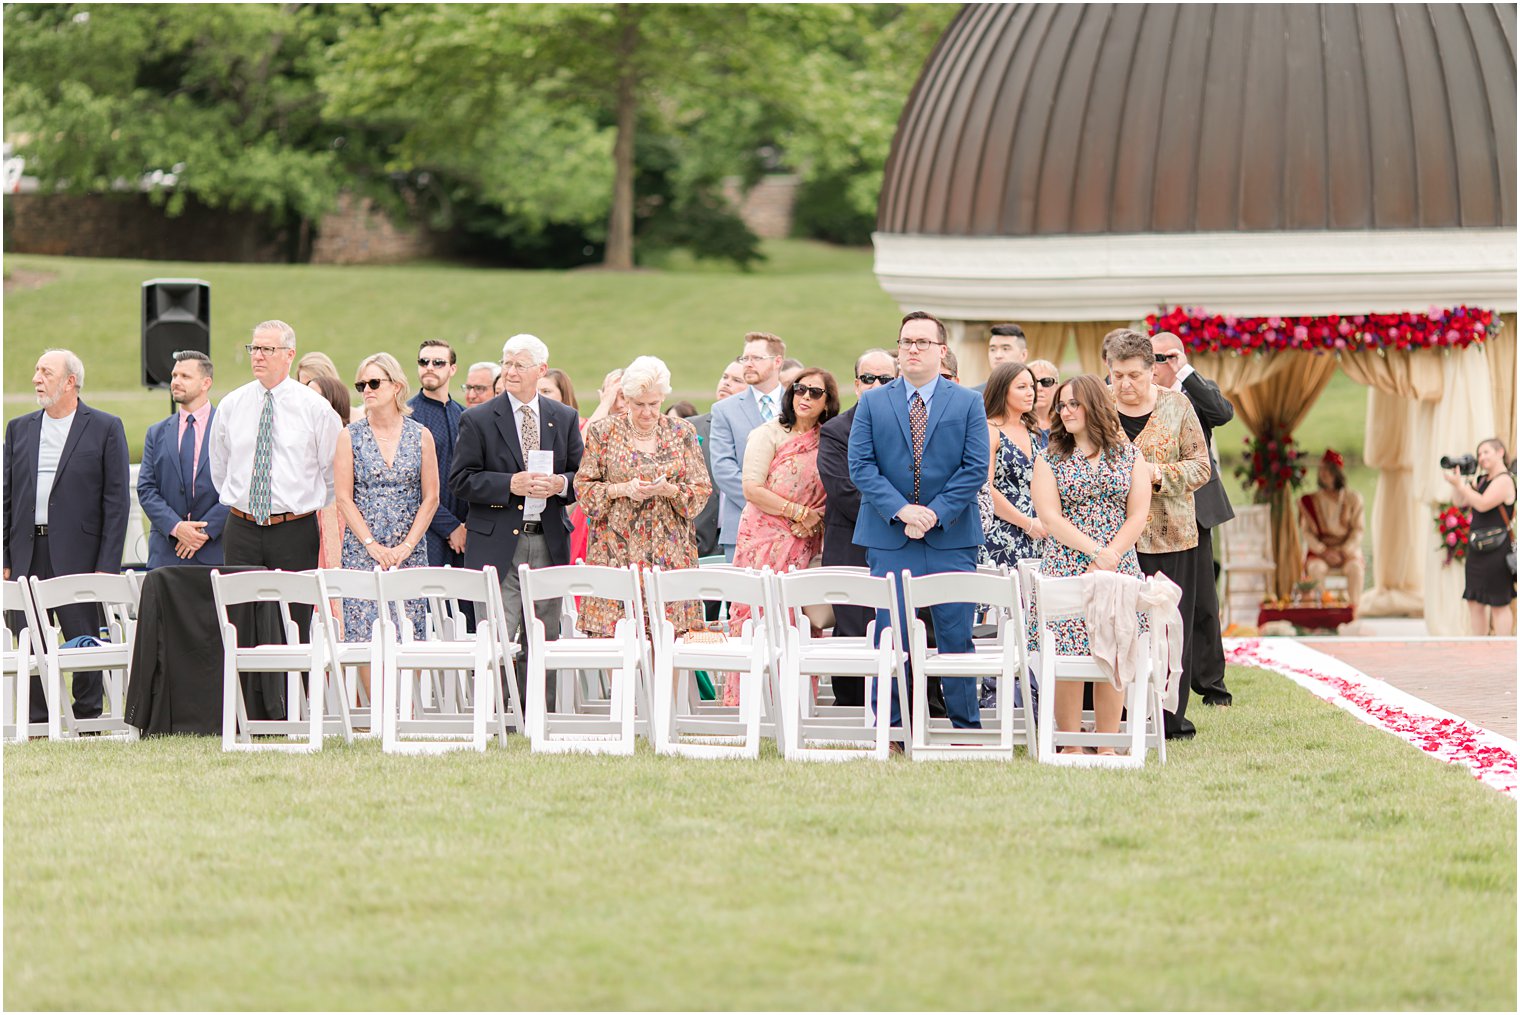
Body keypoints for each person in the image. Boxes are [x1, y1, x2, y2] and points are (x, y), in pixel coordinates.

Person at [849, 311, 990, 735]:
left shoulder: (967, 402)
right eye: (906, 341)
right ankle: (892, 730)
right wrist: (901, 510)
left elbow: (975, 467)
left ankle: (966, 729)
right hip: (890, 536)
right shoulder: (873, 402)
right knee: (893, 638)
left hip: (950, 536)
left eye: (922, 342)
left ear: (941, 351)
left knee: (955, 636)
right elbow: (860, 465)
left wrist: (934, 513)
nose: (911, 349)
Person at [449, 333, 583, 713]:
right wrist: (509, 484)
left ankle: (539, 715)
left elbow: (582, 478)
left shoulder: (564, 418)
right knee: (496, 633)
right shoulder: (476, 418)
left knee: (544, 634)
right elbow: (460, 481)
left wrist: (561, 484)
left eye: (518, 365)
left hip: (548, 538)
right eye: (506, 363)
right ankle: (490, 717)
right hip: (496, 542)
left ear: (541, 370)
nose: (509, 371)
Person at [3, 349, 130, 724]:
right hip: (28, 551)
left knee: (84, 638)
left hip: (81, 553)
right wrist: (5, 557)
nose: (36, 379)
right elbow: (7, 497)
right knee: (30, 637)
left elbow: (117, 502)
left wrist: (107, 566)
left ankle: (88, 717)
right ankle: (39, 719)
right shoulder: (19, 428)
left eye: (45, 372)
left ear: (69, 382)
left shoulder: (105, 427)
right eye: (36, 370)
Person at [1029, 375, 1152, 754]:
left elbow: (1139, 513)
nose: (1065, 411)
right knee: (1067, 648)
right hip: (1068, 562)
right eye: (1061, 406)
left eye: (1073, 404)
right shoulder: (1049, 458)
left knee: (1113, 649)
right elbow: (1049, 516)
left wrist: (1112, 555)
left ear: (1095, 405)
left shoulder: (1130, 455)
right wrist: (1095, 553)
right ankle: (1069, 744)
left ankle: (1108, 744)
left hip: (1119, 562)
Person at [1104, 328, 1209, 739]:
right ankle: (1122, 714)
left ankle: (1167, 717)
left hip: (1171, 535)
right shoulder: (1099, 409)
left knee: (1169, 628)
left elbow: (1202, 466)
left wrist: (1157, 473)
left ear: (1153, 371)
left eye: (1134, 375)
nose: (1125, 384)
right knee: (1118, 625)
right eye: (1117, 376)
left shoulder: (1178, 406)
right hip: (1113, 540)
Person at [722, 369, 840, 706]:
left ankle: (794, 704)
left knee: (798, 620)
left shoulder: (827, 439)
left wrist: (813, 520)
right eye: (799, 389)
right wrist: (799, 513)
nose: (805, 397)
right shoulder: (769, 433)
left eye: (815, 393)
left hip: (805, 542)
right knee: (758, 618)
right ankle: (748, 706)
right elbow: (752, 489)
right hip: (764, 539)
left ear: (827, 402)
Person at [575, 356, 710, 637]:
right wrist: (622, 489)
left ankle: (664, 684)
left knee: (669, 640)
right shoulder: (604, 432)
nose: (647, 412)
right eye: (639, 404)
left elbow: (700, 491)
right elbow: (584, 490)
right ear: (626, 398)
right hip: (615, 551)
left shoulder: (682, 432)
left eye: (654, 404)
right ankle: (620, 685)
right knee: (616, 638)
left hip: (670, 554)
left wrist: (668, 490)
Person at [209, 321, 344, 587]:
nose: (258, 355)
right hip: (241, 528)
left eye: (267, 349)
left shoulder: (316, 409)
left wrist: (298, 503)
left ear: (289, 354)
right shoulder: (231, 405)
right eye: (254, 348)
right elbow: (219, 466)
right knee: (240, 616)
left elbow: (332, 473)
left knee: (293, 618)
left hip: (294, 530)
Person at [335, 353, 439, 674]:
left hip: (409, 549)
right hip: (362, 550)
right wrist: (370, 544)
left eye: (374, 382)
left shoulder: (420, 435)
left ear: (396, 386)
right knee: (364, 633)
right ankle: (374, 720)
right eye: (361, 384)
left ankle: (405, 716)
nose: (367, 389)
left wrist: (406, 546)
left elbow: (431, 497)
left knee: (410, 630)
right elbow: (343, 497)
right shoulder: (350, 436)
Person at [1151, 330, 1236, 707]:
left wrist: (1183, 371)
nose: (1158, 365)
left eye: (1164, 357)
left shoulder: (1196, 390)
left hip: (1195, 506)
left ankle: (1211, 684)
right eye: (1152, 357)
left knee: (1202, 599)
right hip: (1151, 505)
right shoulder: (1138, 390)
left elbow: (1223, 413)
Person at [817, 348, 897, 706]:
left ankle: (902, 710)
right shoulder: (836, 431)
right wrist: (900, 514)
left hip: (902, 547)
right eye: (869, 378)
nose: (877, 385)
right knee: (851, 629)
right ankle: (848, 709)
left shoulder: (912, 428)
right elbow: (843, 489)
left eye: (886, 379)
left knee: (900, 628)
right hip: (851, 543)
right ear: (856, 384)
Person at [138, 350, 229, 568]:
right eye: (174, 376)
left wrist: (202, 532)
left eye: (185, 376)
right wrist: (177, 528)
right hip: (167, 555)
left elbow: (237, 486)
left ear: (206, 383)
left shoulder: (228, 428)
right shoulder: (156, 433)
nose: (176, 382)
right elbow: (146, 489)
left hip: (215, 553)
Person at [710, 332, 787, 562]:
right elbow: (723, 469)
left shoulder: (798, 403)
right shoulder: (724, 410)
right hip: (743, 526)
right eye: (745, 358)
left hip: (792, 529)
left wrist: (791, 511)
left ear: (777, 362)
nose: (748, 364)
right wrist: (769, 505)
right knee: (745, 598)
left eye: (756, 358)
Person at [979, 362, 1048, 569]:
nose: (1031, 393)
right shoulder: (989, 430)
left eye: (1032, 386)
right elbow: (985, 488)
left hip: (1039, 531)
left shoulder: (1032, 430)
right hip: (1002, 532)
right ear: (1002, 391)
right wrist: (1026, 523)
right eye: (1021, 387)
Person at [1446, 438, 1516, 635]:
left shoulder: (1504, 480)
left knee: (1498, 603)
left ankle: (1502, 646)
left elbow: (1483, 503)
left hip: (1498, 549)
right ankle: (1479, 645)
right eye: (1479, 454)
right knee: (1474, 600)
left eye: (1486, 452)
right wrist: (1458, 482)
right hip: (1477, 547)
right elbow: (1459, 501)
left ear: (1500, 452)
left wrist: (1462, 487)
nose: (1481, 457)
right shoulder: (1482, 480)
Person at [409, 340, 468, 567]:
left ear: (452, 369)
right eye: (423, 362)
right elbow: (410, 485)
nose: (429, 367)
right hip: (426, 533)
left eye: (438, 362)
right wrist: (449, 527)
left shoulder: (465, 416)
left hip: (467, 534)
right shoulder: (408, 417)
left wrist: (465, 527)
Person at [689, 362, 747, 563]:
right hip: (698, 541)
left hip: (742, 538)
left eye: (737, 380)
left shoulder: (759, 431)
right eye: (725, 377)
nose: (726, 383)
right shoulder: (691, 427)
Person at [1299, 449, 1366, 612]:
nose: (1323, 474)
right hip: (1321, 551)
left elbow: (1358, 530)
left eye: (1327, 470)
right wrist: (1323, 551)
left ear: (1336, 473)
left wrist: (1345, 550)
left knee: (1355, 569)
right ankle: (1323, 612)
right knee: (1315, 569)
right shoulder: (1311, 500)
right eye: (1321, 470)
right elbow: (1306, 532)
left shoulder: (1353, 498)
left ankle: (1353, 613)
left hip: (1346, 550)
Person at [296, 351, 360, 421]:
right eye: (302, 386)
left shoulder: (356, 419)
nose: (306, 392)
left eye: (310, 384)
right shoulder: (298, 419)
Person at [974, 323, 1027, 393]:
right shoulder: (974, 396)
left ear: (1023, 355)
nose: (998, 355)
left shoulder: (1036, 394)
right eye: (993, 349)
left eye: (1005, 349)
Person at [1027, 358, 1059, 437]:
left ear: (1057, 388)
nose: (1039, 388)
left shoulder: (1064, 421)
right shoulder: (1018, 423)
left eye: (1046, 382)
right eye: (1033, 383)